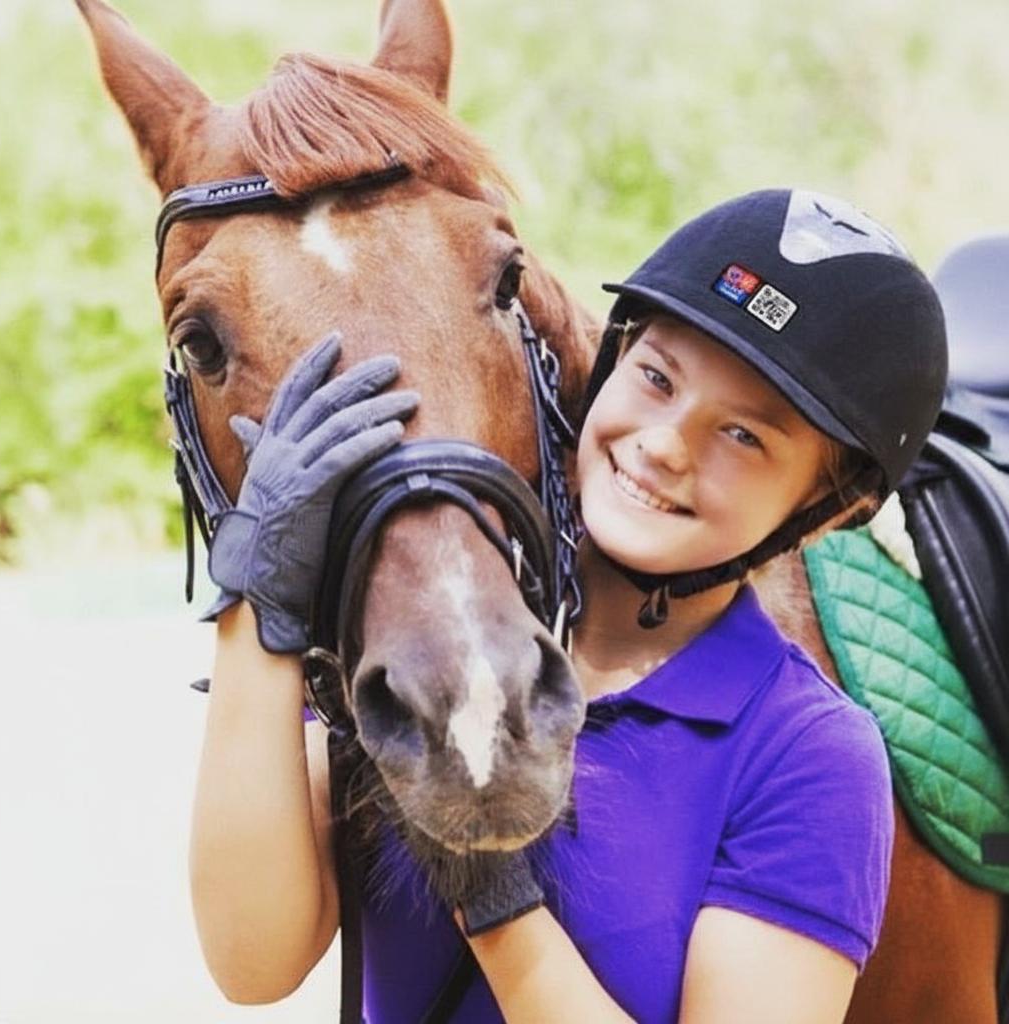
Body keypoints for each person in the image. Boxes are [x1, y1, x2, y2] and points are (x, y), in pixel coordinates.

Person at [190, 188, 948, 1022]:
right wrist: (256, 606)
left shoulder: (811, 756)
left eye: (745, 436)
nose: (664, 445)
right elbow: (252, 962)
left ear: (825, 509)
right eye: (656, 378)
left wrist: (496, 903)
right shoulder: (435, 633)